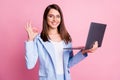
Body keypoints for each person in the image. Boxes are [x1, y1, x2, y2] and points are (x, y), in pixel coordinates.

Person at [25, 4, 98, 80]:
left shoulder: (66, 38)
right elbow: (30, 65)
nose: (55, 19)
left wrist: (84, 52)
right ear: (45, 18)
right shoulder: (39, 39)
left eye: (58, 16)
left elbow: (68, 63)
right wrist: (30, 40)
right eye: (51, 16)